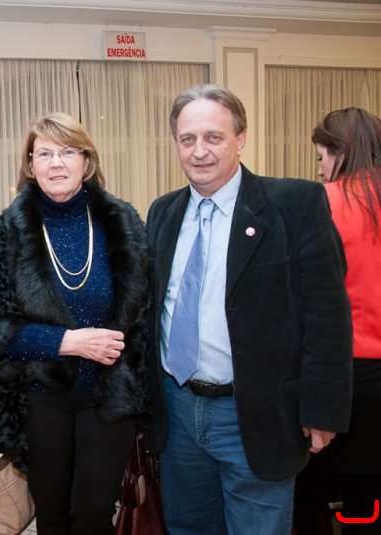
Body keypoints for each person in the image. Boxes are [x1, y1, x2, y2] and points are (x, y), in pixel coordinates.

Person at [144, 84, 353, 534]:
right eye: (187, 139)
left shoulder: (294, 205)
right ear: (175, 143)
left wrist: (322, 410)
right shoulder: (162, 212)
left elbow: (328, 317)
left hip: (257, 414)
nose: (199, 151)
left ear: (240, 139)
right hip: (178, 413)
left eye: (213, 137)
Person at [0, 112, 150, 534]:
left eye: (68, 152)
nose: (56, 163)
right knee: (52, 519)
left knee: (94, 517)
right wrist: (68, 342)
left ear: (86, 161)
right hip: (39, 400)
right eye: (44, 153)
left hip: (109, 396)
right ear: (30, 164)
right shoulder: (6, 231)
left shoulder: (122, 222)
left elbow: (145, 318)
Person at [293, 108, 381, 534]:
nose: (320, 169)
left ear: (339, 153)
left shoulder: (319, 204)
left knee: (309, 491)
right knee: (369, 499)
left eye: (321, 157)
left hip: (331, 374)